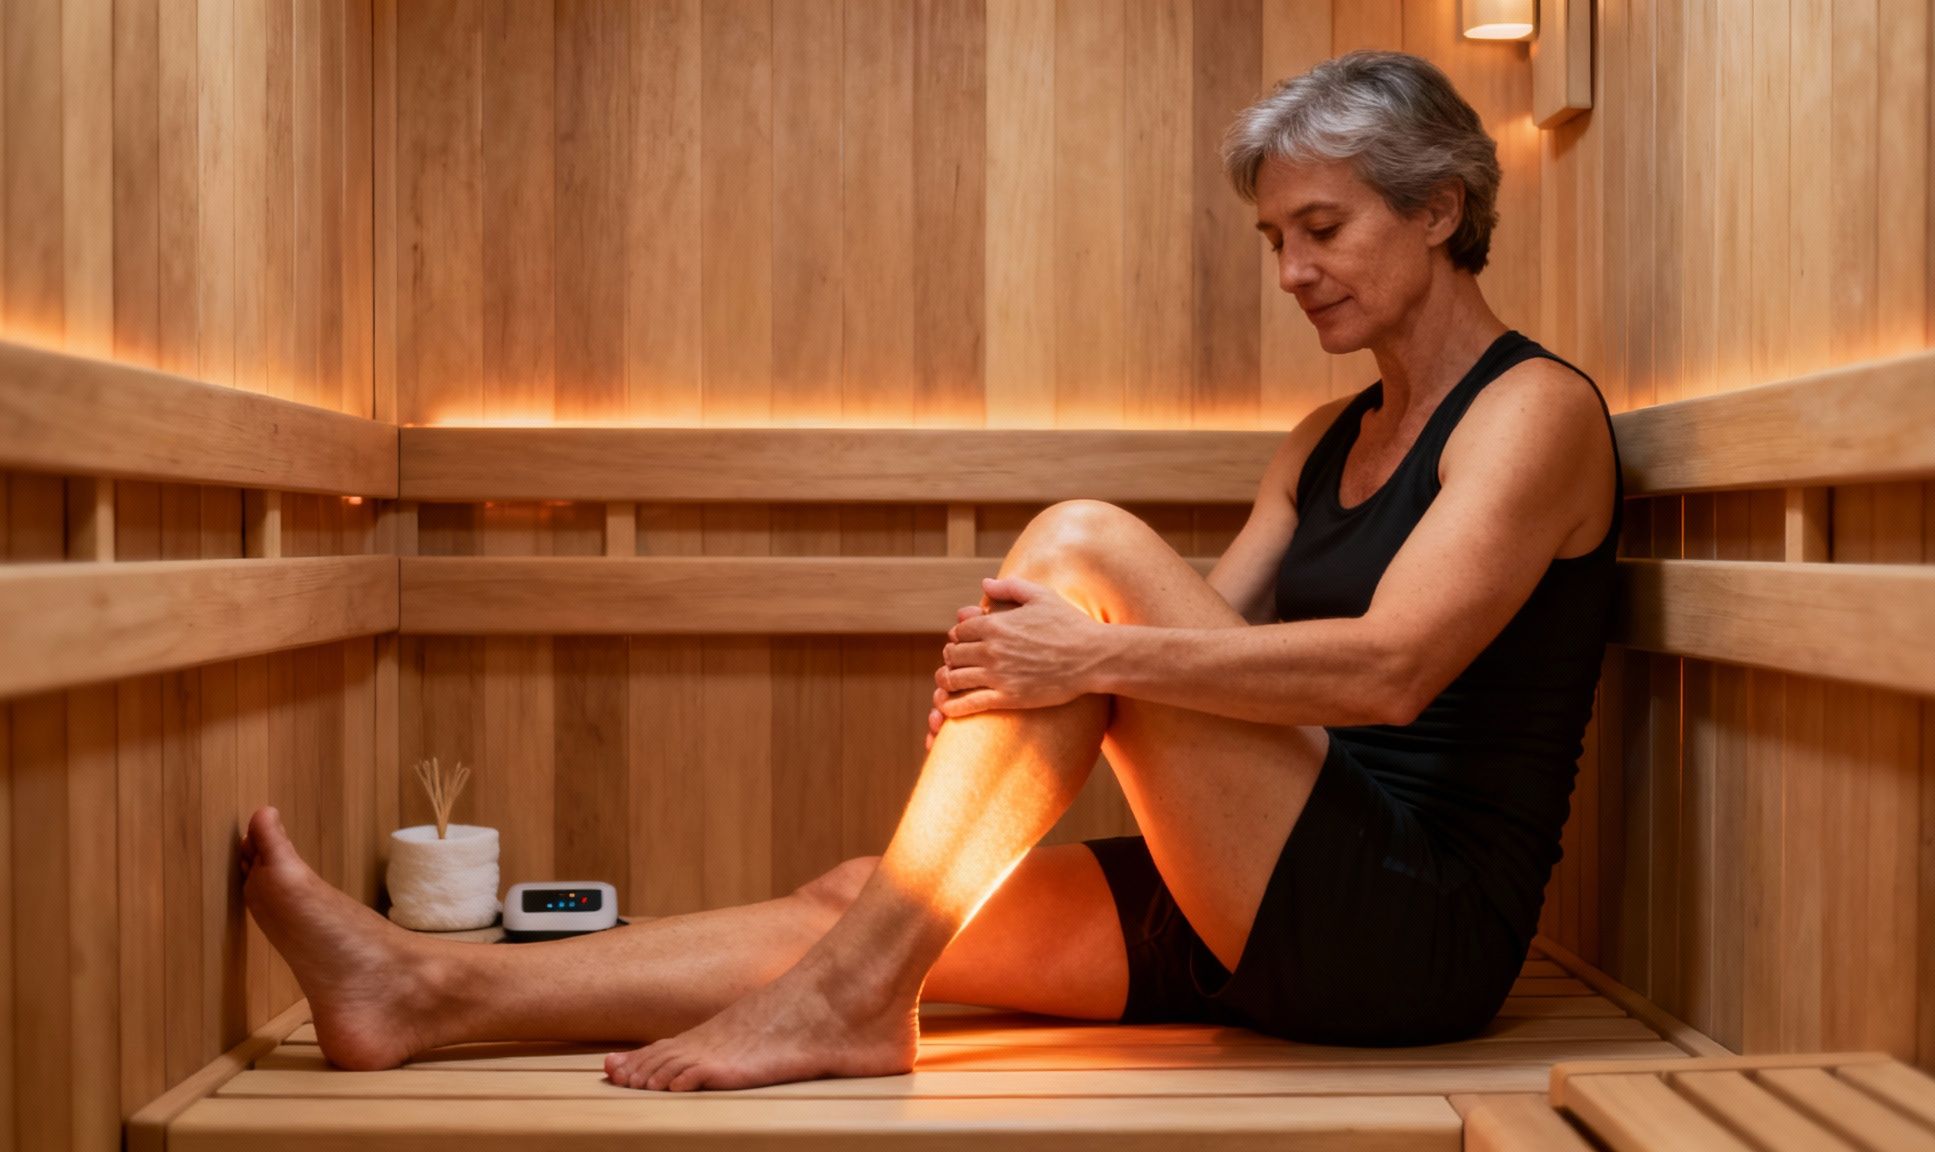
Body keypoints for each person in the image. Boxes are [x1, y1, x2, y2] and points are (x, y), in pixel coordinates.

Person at [238, 48, 1620, 1092]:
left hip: (1407, 929)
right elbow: (1202, 646)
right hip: (1262, 891)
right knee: (868, 898)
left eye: (1322, 228)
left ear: (1439, 209)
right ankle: (424, 993)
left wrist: (1078, 658)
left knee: (1085, 542)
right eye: (1274, 240)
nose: (1292, 272)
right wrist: (1013, 700)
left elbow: (1388, 672)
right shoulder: (1324, 441)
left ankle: (847, 1008)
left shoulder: (1534, 413)